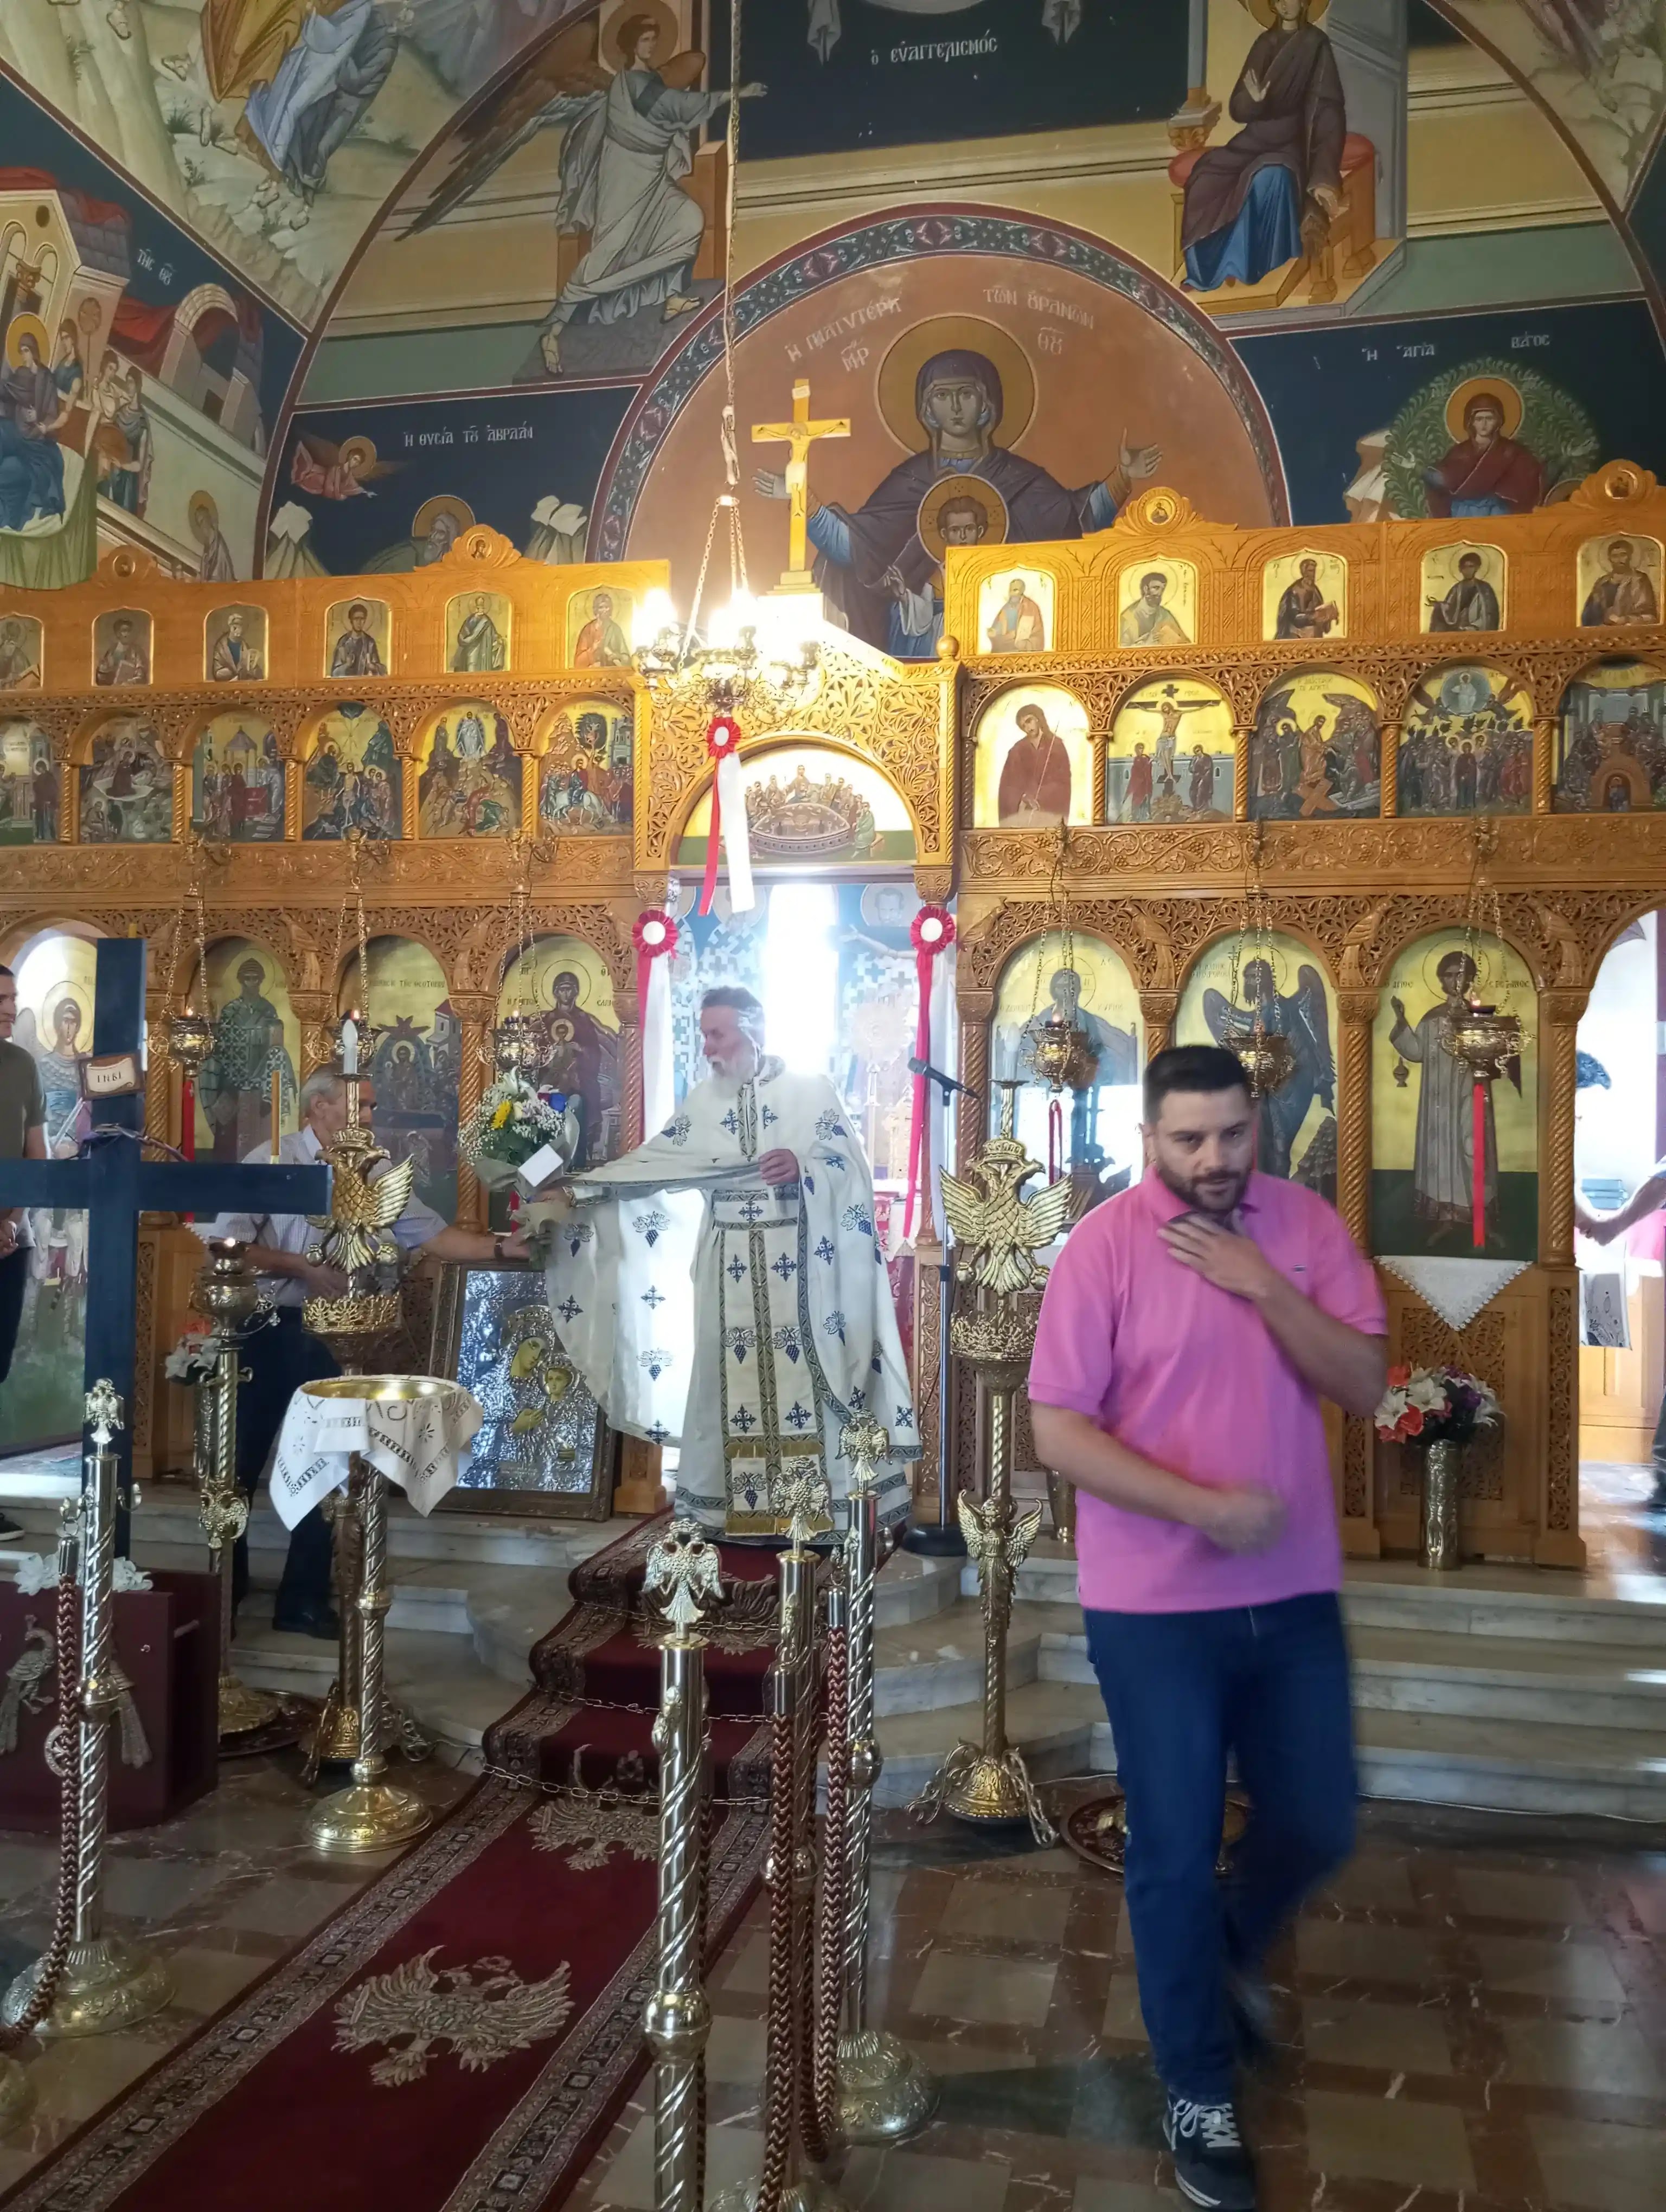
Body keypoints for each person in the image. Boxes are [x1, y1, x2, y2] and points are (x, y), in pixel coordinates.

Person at [1028, 1044, 1387, 2212]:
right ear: (1150, 1138)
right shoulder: (1102, 1248)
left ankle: (1231, 1950)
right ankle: (1196, 2088)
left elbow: (1367, 1385)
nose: (1213, 1158)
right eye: (1188, 1140)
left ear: (1256, 1124)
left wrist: (1263, 1283)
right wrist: (1200, 1508)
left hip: (1292, 1595)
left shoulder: (1306, 1229)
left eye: (1232, 1134)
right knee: (1174, 1849)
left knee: (1320, 1817)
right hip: (1152, 1609)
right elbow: (1057, 1431)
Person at [535, 987, 915, 1536]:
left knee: (813, 1377)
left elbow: (848, 1167)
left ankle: (820, 1509)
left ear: (752, 1029)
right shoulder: (703, 1102)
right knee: (726, 1377)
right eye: (704, 1035)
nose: (707, 1047)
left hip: (801, 1266)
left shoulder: (811, 1091)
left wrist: (803, 1166)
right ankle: (729, 1509)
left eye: (717, 1034)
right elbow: (653, 1164)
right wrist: (577, 1191)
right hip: (727, 1262)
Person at [203, 1068, 527, 1636]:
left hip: (335, 1335)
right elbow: (226, 1244)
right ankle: (223, 1593)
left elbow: (434, 1237)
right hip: (270, 1329)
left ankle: (302, 1600)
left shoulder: (377, 1171)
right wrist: (302, 1267)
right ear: (319, 1107)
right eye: (363, 1106)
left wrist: (504, 1248)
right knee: (240, 1462)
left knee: (328, 1465)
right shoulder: (274, 1160)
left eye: (373, 1107)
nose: (372, 1118)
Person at [759, 347, 1159, 658]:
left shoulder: (1020, 478)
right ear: (927, 408)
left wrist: (1122, 477)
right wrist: (803, 500)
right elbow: (858, 548)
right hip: (919, 643)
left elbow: (1074, 520)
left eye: (966, 394)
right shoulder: (910, 480)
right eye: (942, 396)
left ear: (986, 404)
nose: (954, 408)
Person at [1180, 0, 1345, 293]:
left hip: (1292, 143)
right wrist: (1254, 101)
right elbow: (1238, 108)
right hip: (1254, 140)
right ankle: (1208, 271)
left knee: (1270, 179)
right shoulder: (1264, 43)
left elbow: (1328, 108)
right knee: (1204, 177)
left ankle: (1247, 267)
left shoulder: (1315, 44)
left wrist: (1323, 178)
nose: (1285, 4)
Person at [1388, 950, 1520, 1239]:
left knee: (1473, 1147)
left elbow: (1497, 1055)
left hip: (1470, 1094)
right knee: (1441, 1153)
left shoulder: (1479, 1017)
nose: (1455, 980)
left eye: (1460, 974)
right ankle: (1446, 1216)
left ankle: (1479, 1217)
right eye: (1448, 975)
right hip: (1438, 1101)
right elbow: (1416, 1052)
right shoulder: (1432, 1018)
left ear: (1470, 978)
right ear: (1441, 981)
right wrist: (1400, 1020)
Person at [0, 964, 48, 1539]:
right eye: (2, 998)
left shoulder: (22, 1066)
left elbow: (38, 1157)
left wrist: (10, 1222)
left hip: (11, 1240)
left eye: (14, 997)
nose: (12, 1007)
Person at [1424, 392, 1543, 518]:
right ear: (1471, 422)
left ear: (1498, 421)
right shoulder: (1460, 452)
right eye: (1479, 419)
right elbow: (1444, 480)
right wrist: (1430, 474)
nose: (1484, 424)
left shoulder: (1511, 451)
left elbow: (1530, 476)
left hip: (1498, 512)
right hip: (1466, 512)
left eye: (1489, 419)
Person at [996, 701, 1073, 826]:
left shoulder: (1056, 746)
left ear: (1038, 719)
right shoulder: (1017, 750)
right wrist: (1024, 797)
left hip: (1049, 812)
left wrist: (1040, 797)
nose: (1028, 728)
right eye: (1023, 726)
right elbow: (1009, 785)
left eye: (1029, 721)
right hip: (1025, 814)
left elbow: (1063, 781)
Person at [1582, 537, 1659, 627]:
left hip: (1631, 631)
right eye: (1615, 556)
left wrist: (1626, 620)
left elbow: (1649, 615)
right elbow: (1589, 615)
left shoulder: (1640, 580)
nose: (1619, 560)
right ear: (1609, 559)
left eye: (1623, 555)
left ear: (1630, 556)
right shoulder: (1602, 583)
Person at [1426, 550, 1501, 632]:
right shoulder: (1457, 588)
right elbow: (1450, 608)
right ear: (1460, 569)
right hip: (1459, 629)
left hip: (1477, 629)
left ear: (1477, 568)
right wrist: (1438, 605)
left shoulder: (1485, 589)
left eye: (1471, 566)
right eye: (1465, 567)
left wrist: (1474, 627)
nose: (1468, 570)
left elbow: (1489, 613)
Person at [1273, 557, 1338, 640]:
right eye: (1310, 571)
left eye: (1314, 571)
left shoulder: (1315, 590)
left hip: (1314, 635)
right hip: (1297, 635)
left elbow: (1320, 611)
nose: (1313, 574)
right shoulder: (1295, 591)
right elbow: (1295, 618)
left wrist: (1328, 616)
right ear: (1304, 572)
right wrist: (1314, 616)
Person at [1120, 570, 1190, 647]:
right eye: (1156, 588)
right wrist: (1147, 643)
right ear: (1146, 589)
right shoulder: (1128, 617)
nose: (1159, 593)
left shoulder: (1165, 614)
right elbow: (1122, 649)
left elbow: (1185, 643)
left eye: (1162, 589)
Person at [573, 589, 632, 667]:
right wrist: (593, 648)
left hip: (612, 672)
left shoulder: (615, 629)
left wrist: (616, 656)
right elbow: (578, 662)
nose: (605, 610)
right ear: (596, 610)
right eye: (601, 607)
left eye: (607, 607)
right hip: (592, 673)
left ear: (611, 609)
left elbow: (627, 659)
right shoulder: (588, 630)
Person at [986, 576, 1046, 653]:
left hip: (1022, 649)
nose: (1012, 593)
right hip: (1005, 647)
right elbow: (998, 628)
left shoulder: (1031, 608)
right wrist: (994, 633)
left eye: (1015, 590)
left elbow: (1038, 635)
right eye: (1010, 590)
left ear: (1022, 591)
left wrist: (1023, 643)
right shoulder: (1006, 608)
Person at [452, 595, 505, 673]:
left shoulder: (487, 621)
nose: (481, 609)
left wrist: (499, 640)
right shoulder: (471, 619)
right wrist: (475, 619)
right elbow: (464, 633)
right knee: (471, 670)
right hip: (472, 651)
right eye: (479, 607)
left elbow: (493, 634)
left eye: (482, 607)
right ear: (476, 608)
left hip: (484, 652)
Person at [331, 600, 386, 676]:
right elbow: (335, 673)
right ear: (351, 620)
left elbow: (382, 670)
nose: (359, 622)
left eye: (362, 619)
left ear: (365, 620)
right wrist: (347, 665)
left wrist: (373, 667)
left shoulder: (370, 643)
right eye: (356, 619)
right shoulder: (343, 643)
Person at [211, 610, 263, 682]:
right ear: (231, 626)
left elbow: (253, 670)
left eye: (241, 625)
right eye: (235, 625)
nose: (238, 629)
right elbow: (217, 673)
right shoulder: (221, 647)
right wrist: (230, 674)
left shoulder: (245, 646)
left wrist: (254, 669)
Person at [95, 616, 148, 686]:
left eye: (129, 631)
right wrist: (103, 670)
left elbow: (142, 675)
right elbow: (102, 678)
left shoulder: (137, 651)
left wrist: (130, 682)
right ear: (118, 633)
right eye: (124, 631)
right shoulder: (112, 651)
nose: (127, 634)